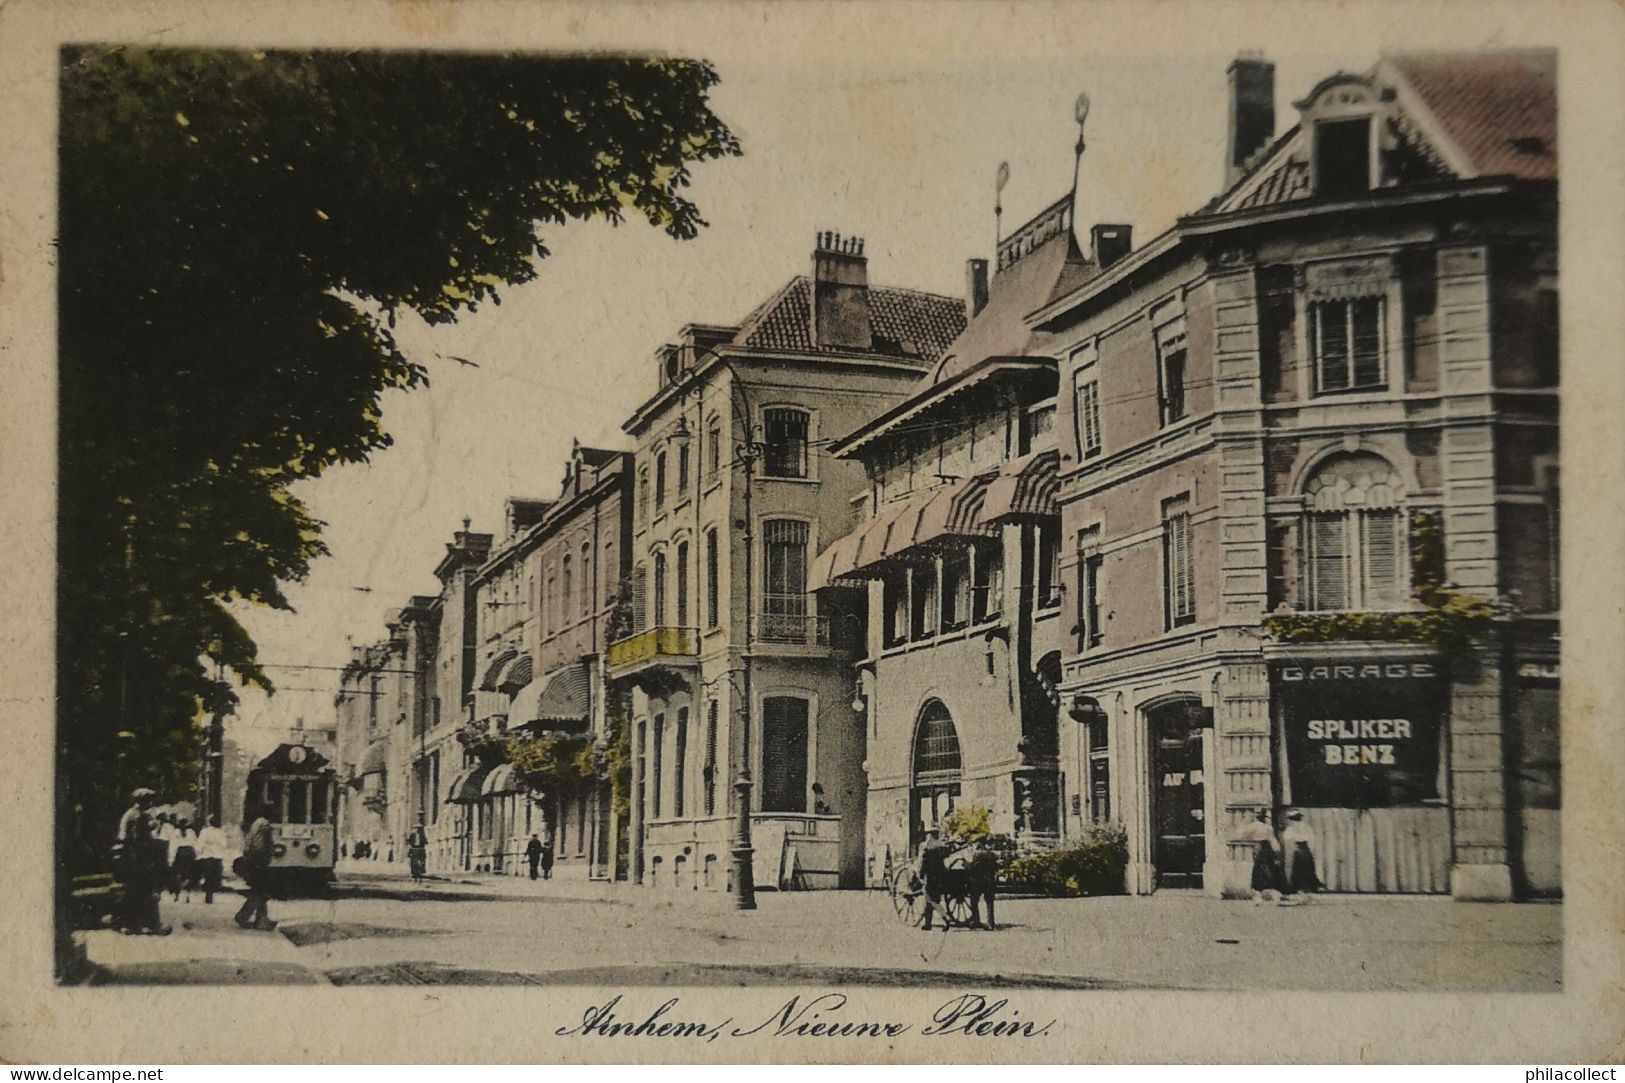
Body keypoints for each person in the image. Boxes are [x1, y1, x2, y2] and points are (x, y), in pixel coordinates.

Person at [113, 788, 170, 935]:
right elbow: (137, 836)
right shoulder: (137, 816)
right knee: (144, 891)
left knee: (137, 891)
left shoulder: (131, 815)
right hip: (138, 858)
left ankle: (135, 925)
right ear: (141, 801)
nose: (150, 803)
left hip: (136, 858)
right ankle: (148, 925)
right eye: (148, 800)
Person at [234, 798, 277, 931]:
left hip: (254, 860)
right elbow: (261, 845)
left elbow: (248, 843)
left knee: (259, 892)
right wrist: (264, 858)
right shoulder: (264, 824)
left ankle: (260, 919)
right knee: (261, 892)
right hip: (259, 862)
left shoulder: (256, 823)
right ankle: (245, 917)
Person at [1240, 808, 1283, 904]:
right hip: (1265, 847)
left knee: (1259, 870)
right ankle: (1272, 895)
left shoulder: (1254, 826)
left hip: (1258, 847)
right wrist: (1277, 850)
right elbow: (1272, 840)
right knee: (1268, 869)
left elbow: (1244, 834)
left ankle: (1259, 896)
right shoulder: (1267, 827)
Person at [1279, 809, 1321, 903]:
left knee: (1298, 872)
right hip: (1306, 850)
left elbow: (1289, 843)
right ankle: (1308, 893)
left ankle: (1299, 892)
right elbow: (1312, 841)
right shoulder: (1307, 827)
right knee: (1308, 870)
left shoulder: (1290, 829)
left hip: (1297, 850)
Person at [916, 828, 952, 931]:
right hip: (941, 876)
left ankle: (945, 917)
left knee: (930, 899)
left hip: (931, 877)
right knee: (932, 899)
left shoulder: (927, 847)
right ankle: (928, 924)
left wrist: (920, 875)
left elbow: (923, 863)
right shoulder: (941, 846)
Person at [193, 816, 228, 905]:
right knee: (214, 876)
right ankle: (210, 892)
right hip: (216, 857)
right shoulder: (220, 832)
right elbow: (224, 844)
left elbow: (200, 844)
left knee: (209, 877)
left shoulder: (205, 832)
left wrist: (200, 851)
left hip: (208, 856)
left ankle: (209, 893)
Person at [170, 818, 198, 902]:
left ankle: (178, 894)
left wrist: (171, 857)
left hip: (181, 853)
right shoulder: (191, 832)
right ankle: (186, 895)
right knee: (187, 874)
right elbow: (195, 844)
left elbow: (173, 846)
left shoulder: (176, 832)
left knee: (179, 874)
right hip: (188, 853)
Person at [406, 814, 429, 882]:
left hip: (421, 849)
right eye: (417, 828)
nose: (418, 830)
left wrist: (424, 843)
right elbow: (409, 841)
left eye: (420, 829)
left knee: (422, 861)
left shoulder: (422, 835)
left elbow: (426, 841)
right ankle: (413, 873)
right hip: (414, 849)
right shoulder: (412, 834)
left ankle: (421, 872)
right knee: (413, 863)